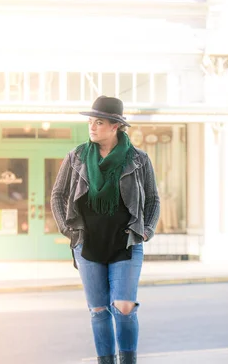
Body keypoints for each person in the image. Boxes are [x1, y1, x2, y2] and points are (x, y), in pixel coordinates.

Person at [51, 96, 161, 364]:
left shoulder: (138, 159)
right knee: (99, 311)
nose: (92, 127)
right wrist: (69, 230)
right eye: (91, 121)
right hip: (88, 244)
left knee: (123, 308)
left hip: (125, 244)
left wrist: (146, 230)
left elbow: (153, 199)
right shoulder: (76, 157)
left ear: (115, 127)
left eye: (99, 122)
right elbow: (58, 194)